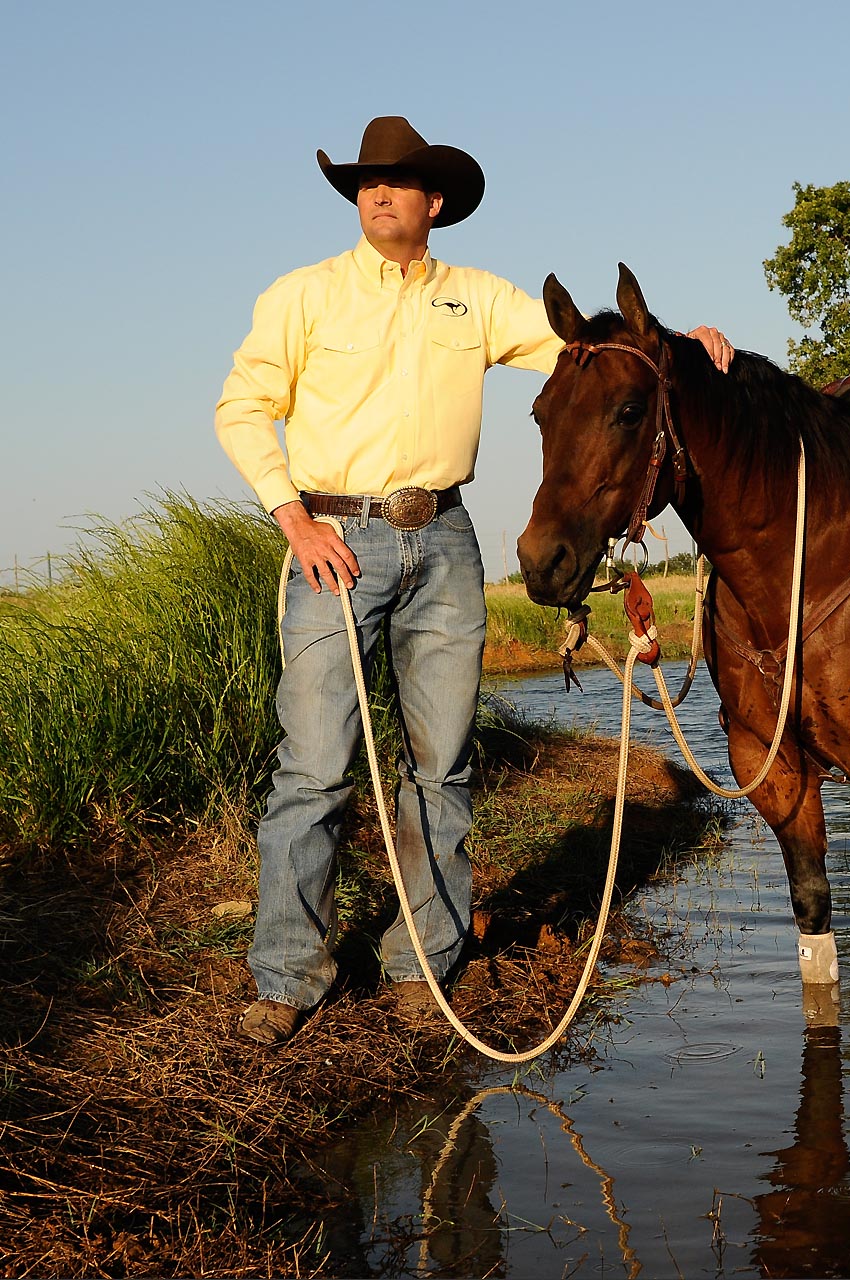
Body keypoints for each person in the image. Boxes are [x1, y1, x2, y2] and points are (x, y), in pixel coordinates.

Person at [215, 117, 733, 1046]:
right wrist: (294, 520)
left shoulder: (477, 300)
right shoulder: (303, 296)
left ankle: (426, 964)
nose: (377, 195)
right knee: (317, 765)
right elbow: (242, 405)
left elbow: (596, 354)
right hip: (333, 535)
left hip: (446, 542)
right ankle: (288, 975)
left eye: (396, 183)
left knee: (442, 764)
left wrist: (682, 344)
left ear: (434, 203)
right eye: (365, 183)